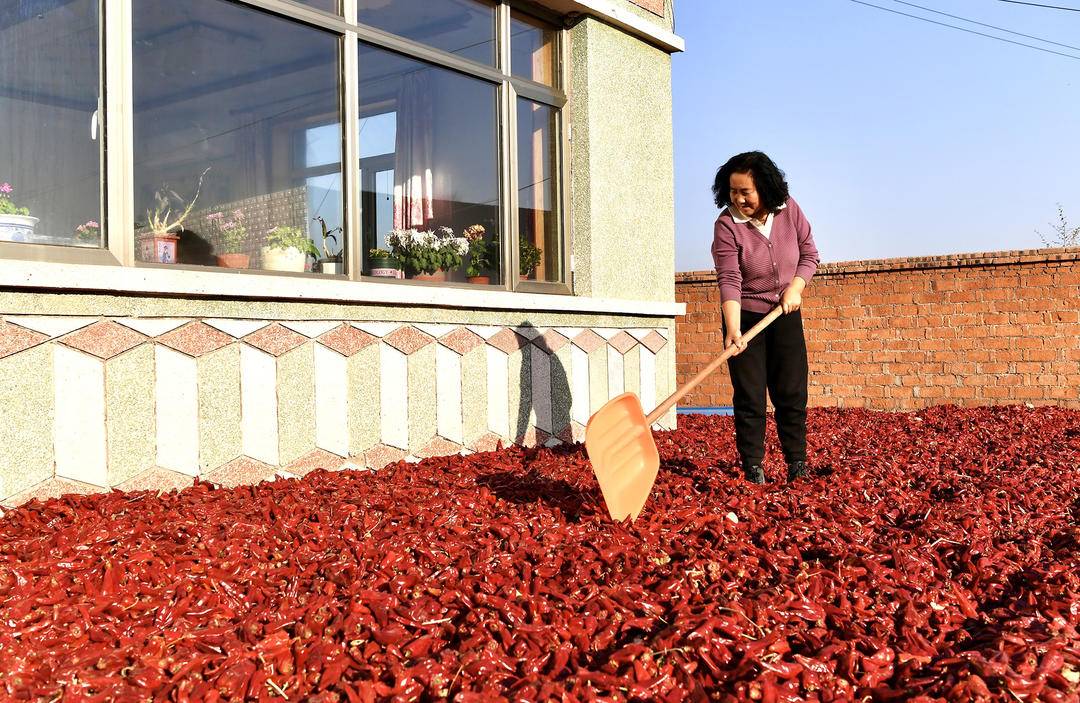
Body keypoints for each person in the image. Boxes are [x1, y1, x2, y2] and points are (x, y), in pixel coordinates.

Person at [711, 151, 819, 484]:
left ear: (765, 189)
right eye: (732, 191)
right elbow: (729, 278)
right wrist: (732, 329)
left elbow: (809, 254)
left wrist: (796, 288)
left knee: (791, 393)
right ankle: (753, 467)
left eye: (746, 191)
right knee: (750, 396)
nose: (738, 198)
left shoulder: (789, 209)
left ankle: (796, 463)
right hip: (745, 318)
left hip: (785, 314)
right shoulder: (727, 225)